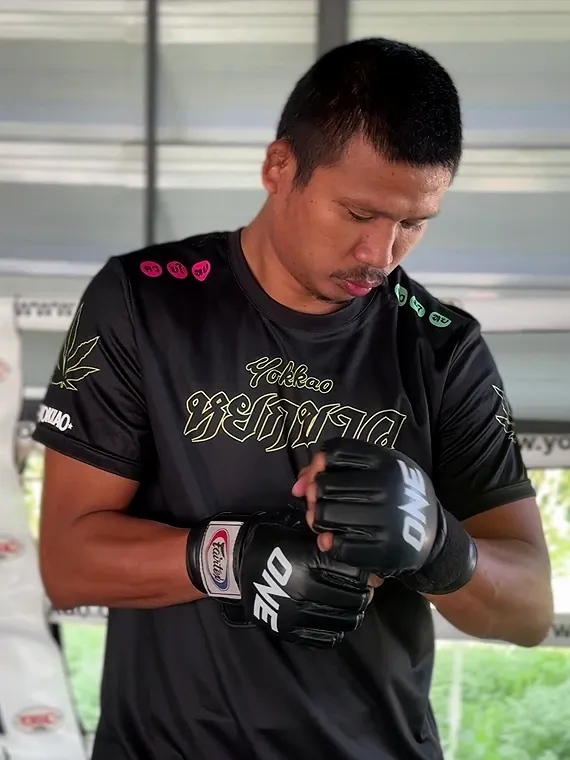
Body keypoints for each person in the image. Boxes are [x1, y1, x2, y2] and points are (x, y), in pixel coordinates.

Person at [33, 37, 553, 760]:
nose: (382, 254)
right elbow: (66, 559)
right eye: (359, 213)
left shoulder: (441, 349)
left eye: (414, 222)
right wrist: (235, 557)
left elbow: (529, 609)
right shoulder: (145, 302)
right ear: (280, 167)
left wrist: (439, 545)